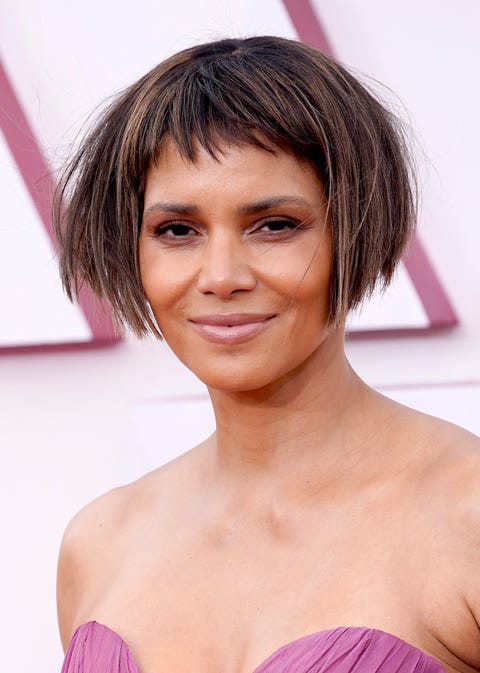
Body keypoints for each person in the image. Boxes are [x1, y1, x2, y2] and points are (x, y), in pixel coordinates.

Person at [54, 36, 480, 673]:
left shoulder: (465, 519)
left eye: (274, 224)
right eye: (177, 231)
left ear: (356, 227)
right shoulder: (100, 543)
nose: (220, 275)